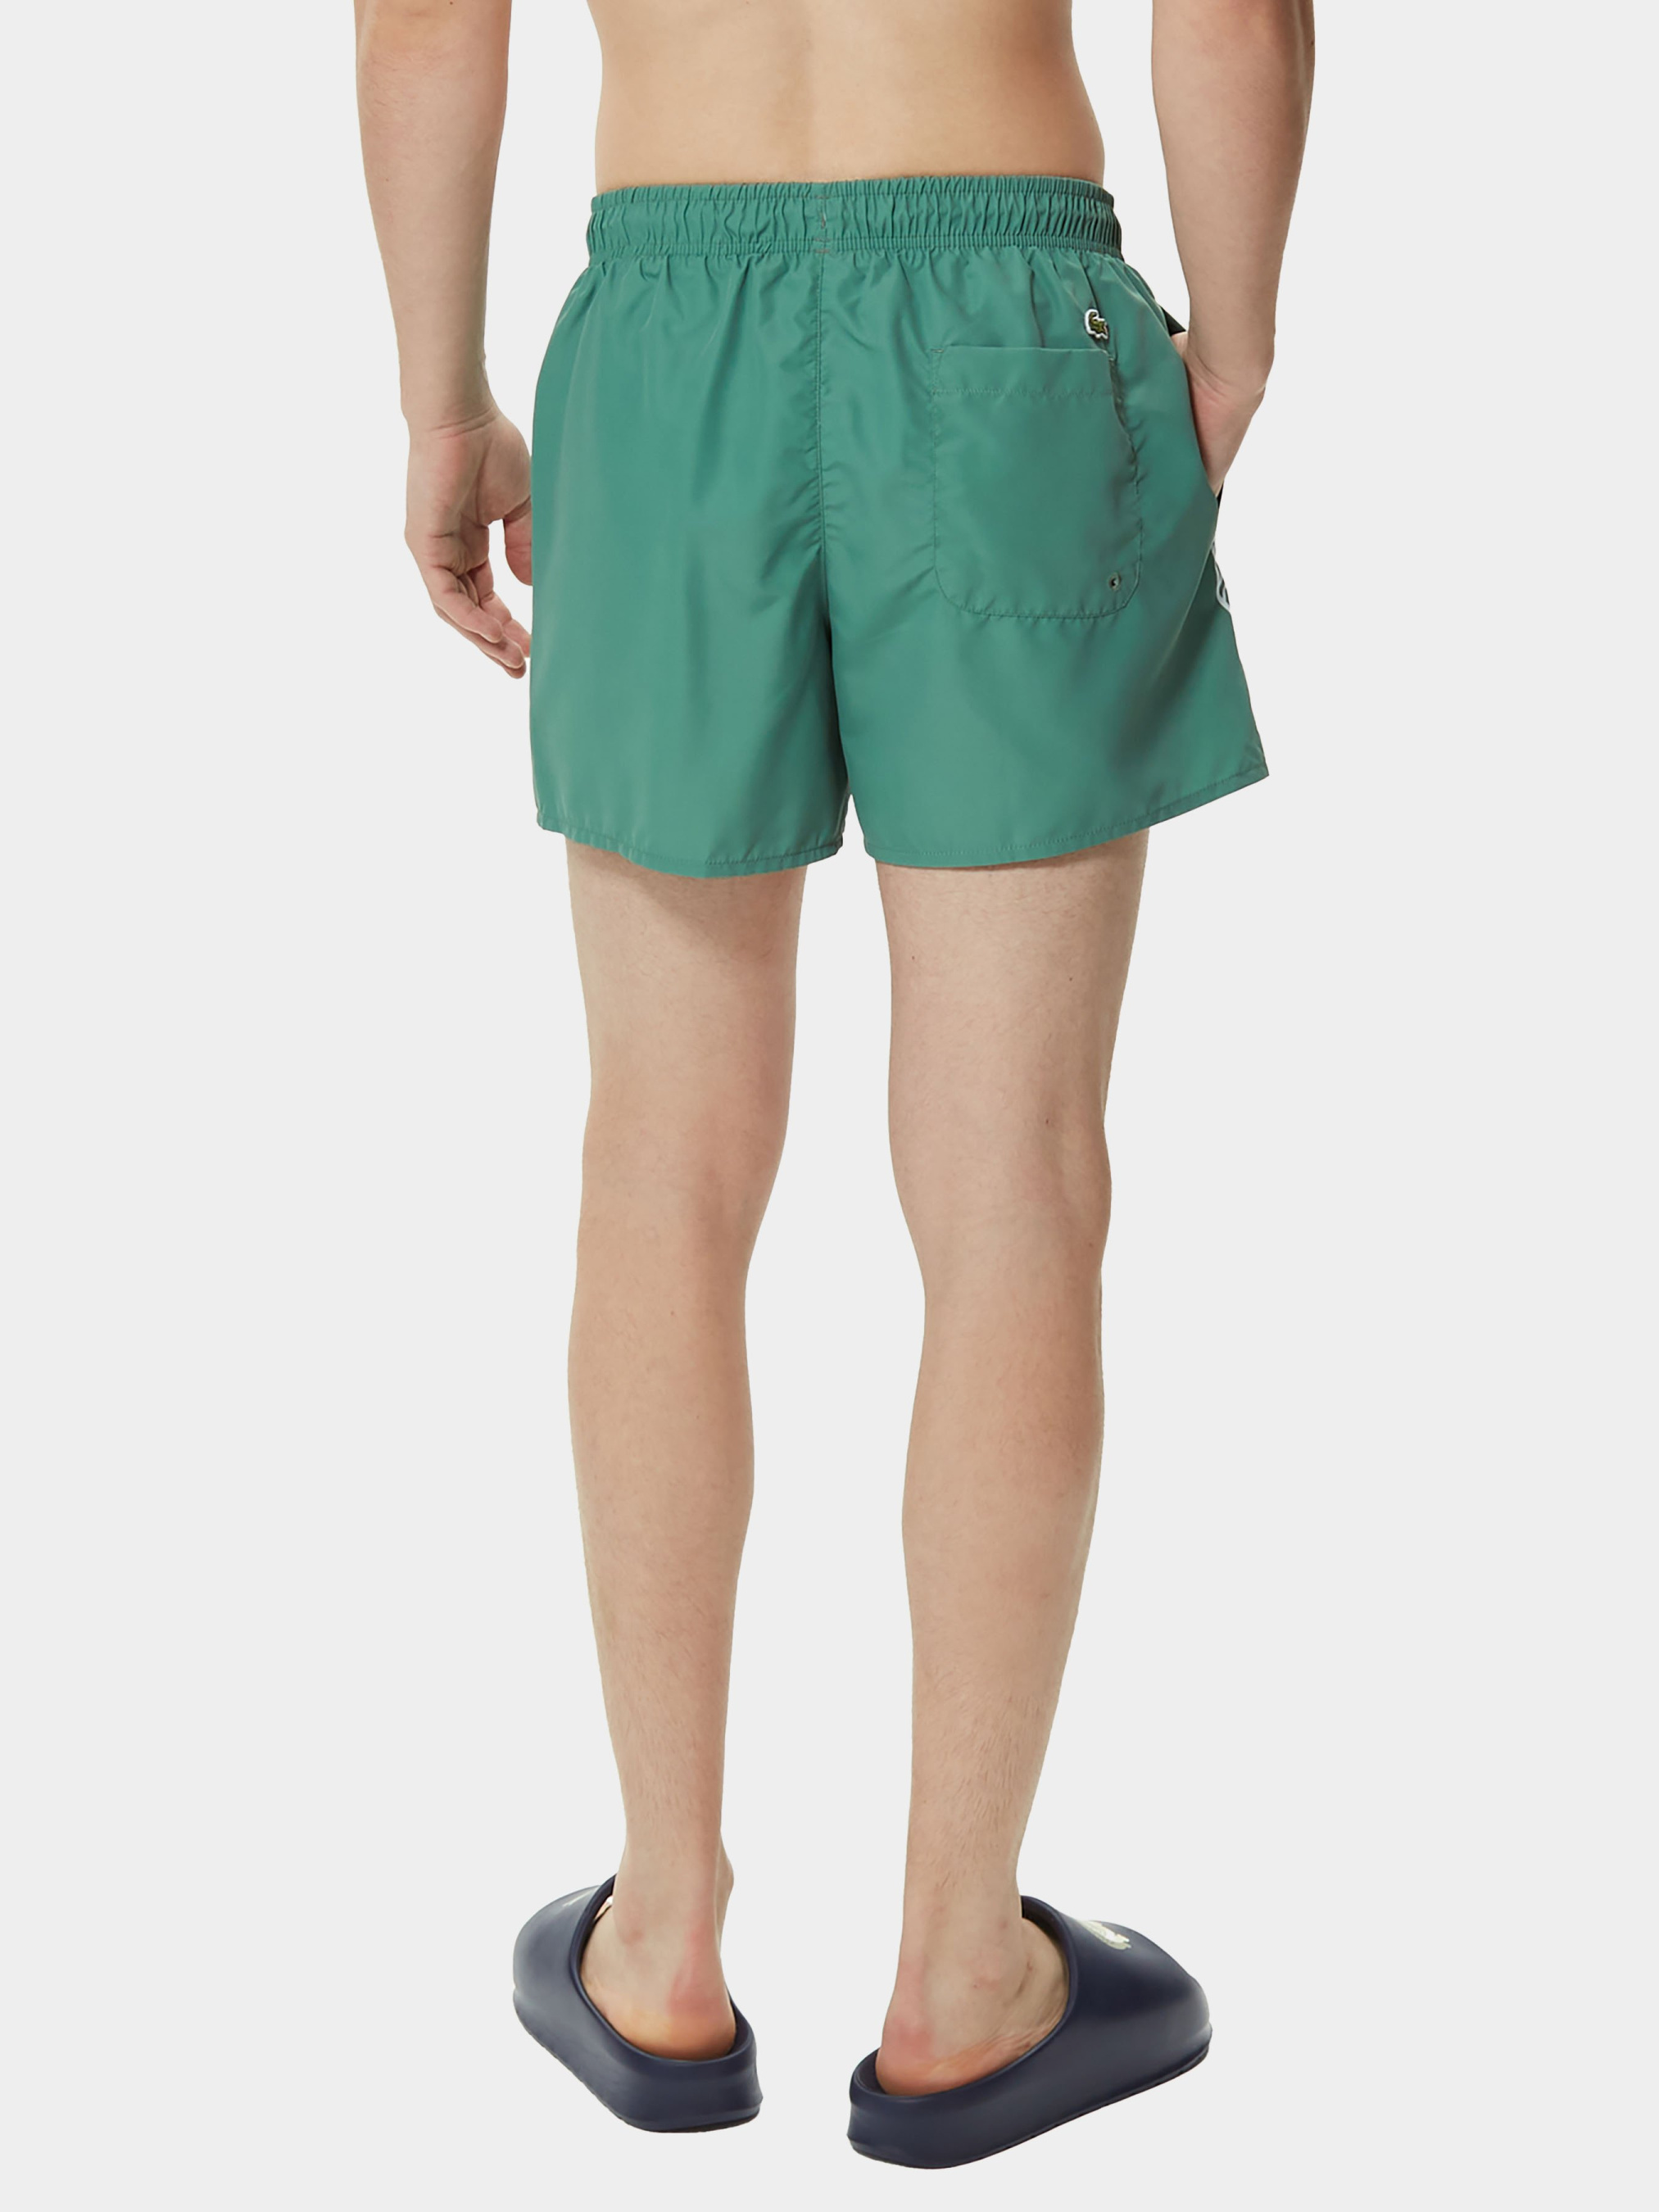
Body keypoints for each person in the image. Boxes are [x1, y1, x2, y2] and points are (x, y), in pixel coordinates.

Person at [355, 0, 1312, 2166]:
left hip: (663, 336)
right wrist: (1236, 343)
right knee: (1012, 1185)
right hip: (1006, 312)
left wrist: (438, 404)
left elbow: (423, 19)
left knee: (661, 1171)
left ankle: (661, 1944)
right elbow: (1231, 10)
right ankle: (965, 1971)